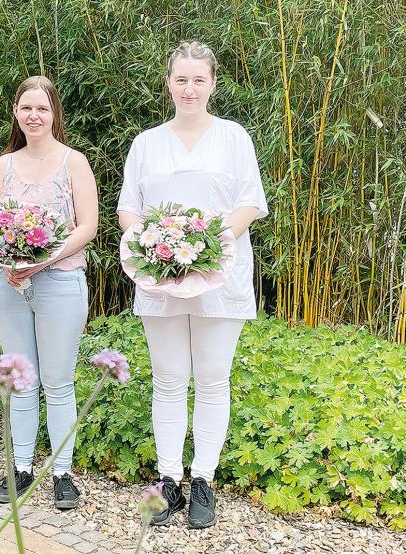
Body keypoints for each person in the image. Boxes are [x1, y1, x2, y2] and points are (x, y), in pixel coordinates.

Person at [116, 41, 269, 528]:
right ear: (169, 83)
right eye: (181, 79)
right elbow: (128, 208)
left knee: (211, 379)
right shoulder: (147, 143)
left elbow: (249, 202)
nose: (189, 88)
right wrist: (150, 245)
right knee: (167, 380)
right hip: (160, 277)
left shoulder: (233, 137)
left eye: (198, 80)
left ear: (212, 84)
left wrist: (207, 249)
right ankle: (167, 481)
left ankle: (202, 478)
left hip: (218, 280)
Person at [0, 75, 98, 509]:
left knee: (58, 381)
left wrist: (42, 261)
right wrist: (8, 263)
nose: (34, 116)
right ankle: (20, 468)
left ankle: (63, 473)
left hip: (60, 283)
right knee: (21, 382)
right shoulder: (3, 165)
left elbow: (87, 226)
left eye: (43, 108)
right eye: (26, 108)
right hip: (11, 286)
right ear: (16, 112)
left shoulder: (75, 162)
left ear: (54, 114)